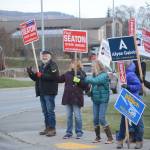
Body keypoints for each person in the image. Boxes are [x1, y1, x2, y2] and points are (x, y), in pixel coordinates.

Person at [26, 50, 59, 137]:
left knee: (50, 111)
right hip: (42, 92)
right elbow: (36, 78)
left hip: (49, 92)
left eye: (46, 55)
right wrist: (30, 72)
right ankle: (47, 128)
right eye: (43, 56)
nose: (44, 57)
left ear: (50, 56)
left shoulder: (53, 65)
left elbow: (54, 77)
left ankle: (52, 129)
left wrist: (42, 75)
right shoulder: (41, 66)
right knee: (45, 111)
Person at [57, 59, 88, 139]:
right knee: (68, 116)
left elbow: (85, 85)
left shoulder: (82, 73)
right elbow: (59, 79)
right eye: (71, 63)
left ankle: (79, 132)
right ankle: (69, 132)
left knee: (77, 116)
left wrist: (77, 80)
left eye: (73, 63)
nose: (71, 64)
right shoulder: (67, 73)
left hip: (77, 98)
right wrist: (54, 74)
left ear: (77, 64)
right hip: (68, 97)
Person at [84, 60, 113, 144]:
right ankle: (98, 137)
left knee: (101, 118)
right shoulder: (94, 75)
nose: (92, 68)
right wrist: (89, 91)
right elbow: (92, 85)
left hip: (103, 100)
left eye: (93, 67)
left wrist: (85, 78)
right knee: (95, 119)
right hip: (95, 100)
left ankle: (110, 138)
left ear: (98, 66)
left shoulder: (104, 75)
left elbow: (95, 81)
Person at [117, 61, 144, 149]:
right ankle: (120, 141)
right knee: (123, 124)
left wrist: (128, 87)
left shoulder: (130, 74)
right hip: (125, 100)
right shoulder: (122, 74)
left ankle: (139, 141)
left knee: (137, 122)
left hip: (133, 100)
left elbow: (138, 86)